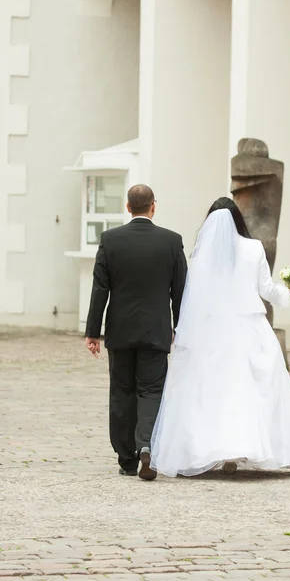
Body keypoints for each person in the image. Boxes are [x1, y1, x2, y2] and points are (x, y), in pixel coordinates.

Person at [151, 197, 290, 477]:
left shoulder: (202, 253)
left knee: (213, 389)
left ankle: (216, 448)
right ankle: (249, 445)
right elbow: (266, 289)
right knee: (252, 387)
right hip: (249, 326)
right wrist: (289, 290)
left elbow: (196, 298)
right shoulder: (254, 248)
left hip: (213, 328)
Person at [85, 184, 187, 480]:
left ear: (128, 207)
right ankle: (147, 445)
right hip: (156, 331)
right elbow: (181, 292)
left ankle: (127, 458)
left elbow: (99, 289)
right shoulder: (171, 241)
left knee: (122, 391)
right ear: (153, 206)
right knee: (152, 391)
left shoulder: (110, 240)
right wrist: (179, 328)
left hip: (120, 330)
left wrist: (93, 331)